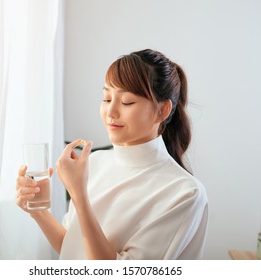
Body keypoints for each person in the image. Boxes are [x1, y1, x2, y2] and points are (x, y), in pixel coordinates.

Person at [16, 49, 208, 260]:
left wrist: (79, 195)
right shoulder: (94, 163)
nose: (111, 112)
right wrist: (38, 211)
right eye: (107, 98)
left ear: (162, 111)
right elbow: (72, 248)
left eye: (126, 102)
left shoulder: (184, 193)